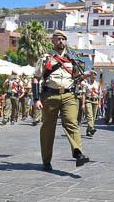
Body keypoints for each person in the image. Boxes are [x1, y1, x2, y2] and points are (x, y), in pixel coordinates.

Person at [33, 29, 89, 171]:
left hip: (69, 96)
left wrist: (85, 75)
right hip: (50, 96)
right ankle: (46, 160)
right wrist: (35, 99)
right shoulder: (46, 58)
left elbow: (76, 78)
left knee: (72, 122)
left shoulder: (72, 59)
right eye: (58, 39)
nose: (61, 41)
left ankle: (78, 152)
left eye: (63, 39)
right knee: (48, 128)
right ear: (53, 41)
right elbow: (36, 78)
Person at [84, 70, 101, 137]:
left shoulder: (98, 84)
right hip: (88, 100)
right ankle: (92, 128)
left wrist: (99, 103)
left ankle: (88, 131)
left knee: (93, 118)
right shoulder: (86, 83)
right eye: (91, 75)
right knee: (89, 115)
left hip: (95, 101)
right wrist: (83, 103)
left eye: (94, 76)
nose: (93, 77)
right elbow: (84, 94)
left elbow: (99, 94)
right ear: (90, 76)